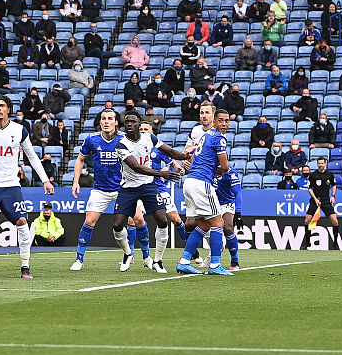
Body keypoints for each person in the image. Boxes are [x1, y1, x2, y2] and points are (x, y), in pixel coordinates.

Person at [0, 95, 55, 279]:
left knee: (21, 221)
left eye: (2, 105)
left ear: (9, 109)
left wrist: (45, 180)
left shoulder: (19, 130)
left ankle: (25, 265)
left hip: (11, 186)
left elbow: (32, 156)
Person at [112, 110, 188, 274]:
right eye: (127, 122)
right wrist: (161, 173)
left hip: (148, 185)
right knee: (117, 225)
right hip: (128, 187)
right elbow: (136, 167)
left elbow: (169, 151)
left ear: (139, 124)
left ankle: (158, 261)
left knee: (162, 220)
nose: (129, 124)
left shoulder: (150, 138)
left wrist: (185, 156)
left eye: (133, 121)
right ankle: (127, 253)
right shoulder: (121, 144)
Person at [69, 109, 129, 271]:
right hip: (100, 189)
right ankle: (79, 259)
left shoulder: (124, 139)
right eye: (103, 118)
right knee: (89, 220)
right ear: (100, 122)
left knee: (135, 219)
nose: (106, 121)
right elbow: (80, 159)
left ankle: (133, 254)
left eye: (110, 118)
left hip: (122, 188)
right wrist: (75, 182)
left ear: (116, 122)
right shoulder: (92, 139)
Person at [175, 107, 232, 275]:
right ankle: (215, 265)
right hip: (202, 183)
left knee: (203, 224)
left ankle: (185, 261)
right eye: (220, 120)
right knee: (218, 223)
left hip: (189, 182)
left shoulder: (205, 135)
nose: (224, 124)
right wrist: (222, 171)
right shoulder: (219, 138)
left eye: (227, 121)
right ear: (214, 121)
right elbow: (225, 166)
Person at [213, 112, 244, 271]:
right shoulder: (209, 170)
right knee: (194, 225)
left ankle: (235, 261)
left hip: (226, 204)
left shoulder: (230, 172)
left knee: (228, 228)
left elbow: (238, 193)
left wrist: (238, 213)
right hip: (211, 203)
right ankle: (194, 256)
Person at [304, 157, 341, 243]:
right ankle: (307, 242)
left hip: (325, 199)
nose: (320, 165)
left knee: (335, 221)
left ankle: (335, 243)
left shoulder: (329, 174)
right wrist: (315, 199)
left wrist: (333, 196)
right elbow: (309, 188)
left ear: (325, 164)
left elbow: (334, 185)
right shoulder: (313, 175)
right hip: (315, 200)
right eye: (319, 163)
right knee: (307, 220)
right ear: (317, 164)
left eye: (322, 163)